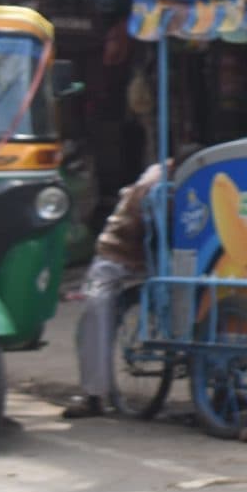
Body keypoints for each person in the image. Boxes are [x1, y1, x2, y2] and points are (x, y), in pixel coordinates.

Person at [65, 161, 164, 419]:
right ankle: (93, 395)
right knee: (95, 306)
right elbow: (129, 228)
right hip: (121, 257)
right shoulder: (154, 181)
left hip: (166, 264)